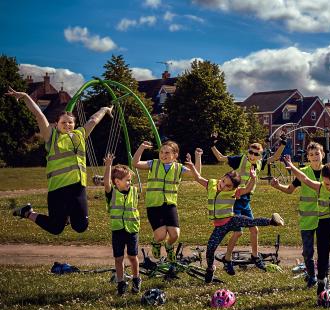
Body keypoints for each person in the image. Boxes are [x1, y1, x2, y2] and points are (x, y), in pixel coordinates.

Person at [7, 87, 112, 235]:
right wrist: (25, 96)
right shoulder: (52, 136)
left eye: (70, 122)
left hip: (78, 188)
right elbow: (39, 115)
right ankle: (27, 212)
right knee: (56, 228)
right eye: (64, 122)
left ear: (74, 124)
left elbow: (93, 120)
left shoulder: (80, 134)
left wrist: (104, 109)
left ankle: (68, 215)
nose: (67, 125)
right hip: (58, 189)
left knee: (81, 226)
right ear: (56, 124)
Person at [183, 155, 285, 283]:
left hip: (231, 220)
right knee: (210, 248)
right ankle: (210, 269)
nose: (223, 185)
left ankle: (272, 221)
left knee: (250, 222)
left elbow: (247, 189)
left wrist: (253, 179)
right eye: (223, 181)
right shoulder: (211, 185)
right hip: (219, 226)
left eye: (227, 185)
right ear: (221, 178)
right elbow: (198, 178)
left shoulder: (234, 192)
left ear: (232, 188)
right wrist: (192, 166)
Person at [211, 135, 286, 274]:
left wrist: (283, 143)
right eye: (250, 152)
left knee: (254, 230)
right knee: (238, 232)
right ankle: (227, 260)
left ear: (260, 156)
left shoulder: (259, 163)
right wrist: (212, 145)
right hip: (235, 201)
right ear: (247, 152)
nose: (252, 155)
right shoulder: (240, 159)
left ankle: (255, 256)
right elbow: (221, 158)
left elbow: (275, 157)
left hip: (246, 201)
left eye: (256, 154)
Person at [283, 155, 330, 297]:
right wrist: (292, 166)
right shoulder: (319, 187)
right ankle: (321, 281)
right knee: (322, 256)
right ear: (322, 180)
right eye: (327, 184)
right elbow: (303, 178)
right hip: (324, 226)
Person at [132, 141, 201, 262]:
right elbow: (135, 163)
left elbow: (197, 175)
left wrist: (197, 157)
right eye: (161, 152)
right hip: (154, 205)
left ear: (175, 155)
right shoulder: (153, 164)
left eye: (167, 152)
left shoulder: (179, 168)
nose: (163, 155)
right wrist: (142, 147)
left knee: (174, 235)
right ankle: (156, 242)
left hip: (170, 205)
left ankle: (169, 247)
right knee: (161, 235)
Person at [271, 142, 324, 288]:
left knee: (323, 250)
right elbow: (289, 189)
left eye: (317, 154)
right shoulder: (303, 173)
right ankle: (312, 276)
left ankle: (323, 276)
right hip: (307, 218)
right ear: (307, 157)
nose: (314, 157)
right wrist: (277, 186)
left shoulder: (328, 171)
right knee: (307, 252)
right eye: (311, 155)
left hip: (325, 218)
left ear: (323, 155)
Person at [103, 154, 141, 295]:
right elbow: (107, 183)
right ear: (117, 182)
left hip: (132, 229)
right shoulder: (111, 193)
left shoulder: (134, 191)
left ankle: (136, 279)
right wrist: (108, 166)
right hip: (118, 230)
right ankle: (121, 282)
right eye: (127, 181)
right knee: (118, 258)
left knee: (132, 256)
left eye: (130, 181)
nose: (129, 183)